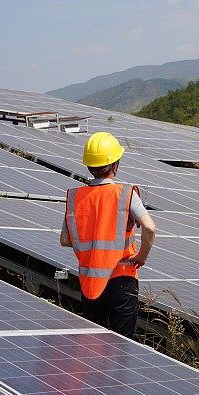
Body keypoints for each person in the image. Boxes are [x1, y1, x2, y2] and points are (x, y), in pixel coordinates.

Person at [60, 131, 155, 339]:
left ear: (89, 166)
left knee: (94, 349)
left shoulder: (76, 197)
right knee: (121, 348)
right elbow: (149, 227)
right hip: (122, 280)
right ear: (115, 165)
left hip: (90, 282)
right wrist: (141, 257)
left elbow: (65, 240)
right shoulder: (125, 193)